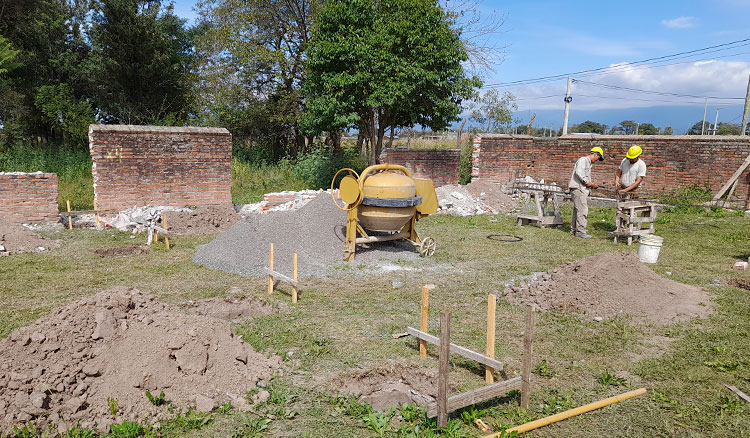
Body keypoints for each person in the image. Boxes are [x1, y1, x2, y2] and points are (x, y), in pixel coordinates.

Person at [568, 147, 604, 239]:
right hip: (578, 188)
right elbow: (579, 173)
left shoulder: (587, 163)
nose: (597, 161)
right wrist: (589, 183)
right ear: (595, 154)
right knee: (583, 210)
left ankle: (575, 230)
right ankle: (580, 232)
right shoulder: (583, 160)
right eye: (598, 158)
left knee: (577, 210)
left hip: (579, 188)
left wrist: (591, 184)